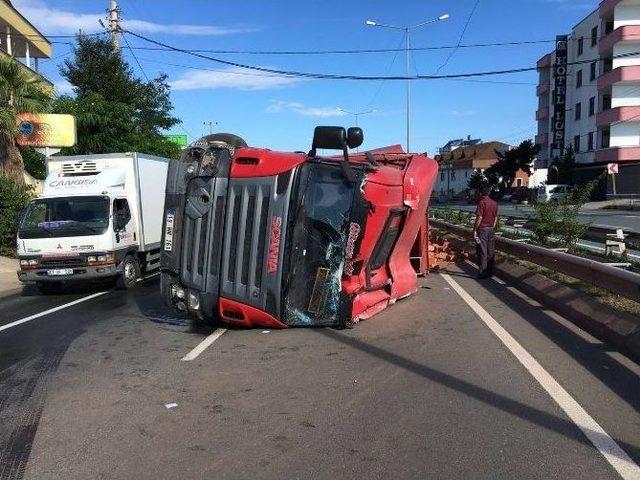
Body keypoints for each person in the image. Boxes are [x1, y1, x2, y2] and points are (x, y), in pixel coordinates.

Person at [473, 187, 498, 279]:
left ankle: (482, 272)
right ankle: (490, 272)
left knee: (483, 250)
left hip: (483, 229)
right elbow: (495, 218)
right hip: (491, 229)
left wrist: (475, 229)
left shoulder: (482, 203)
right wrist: (492, 227)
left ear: (481, 194)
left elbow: (479, 217)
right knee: (490, 251)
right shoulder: (494, 203)